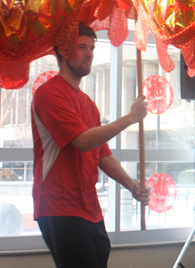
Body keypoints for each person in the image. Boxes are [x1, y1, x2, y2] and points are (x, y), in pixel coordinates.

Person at [31, 22, 150, 268]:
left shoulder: (87, 103)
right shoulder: (49, 94)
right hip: (58, 206)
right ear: (63, 51)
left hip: (89, 206)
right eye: (82, 47)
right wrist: (130, 118)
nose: (89, 54)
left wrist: (132, 186)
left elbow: (102, 156)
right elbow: (83, 141)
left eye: (92, 48)